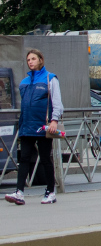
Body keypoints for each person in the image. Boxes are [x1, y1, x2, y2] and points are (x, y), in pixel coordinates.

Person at [5, 48, 62, 205]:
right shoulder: (24, 82)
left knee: (45, 159)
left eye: (33, 59)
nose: (30, 61)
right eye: (28, 59)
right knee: (23, 159)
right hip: (27, 126)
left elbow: (57, 102)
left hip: (43, 127)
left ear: (40, 60)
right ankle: (19, 193)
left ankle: (50, 192)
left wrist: (54, 121)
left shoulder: (50, 78)